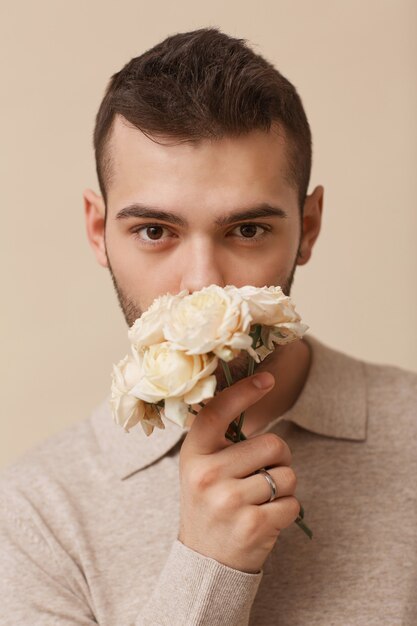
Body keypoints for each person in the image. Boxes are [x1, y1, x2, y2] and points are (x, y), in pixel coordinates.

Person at [1, 27, 416, 626]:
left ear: (310, 226)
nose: (202, 282)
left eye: (246, 230)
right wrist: (208, 567)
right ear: (99, 233)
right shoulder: (34, 516)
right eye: (154, 231)